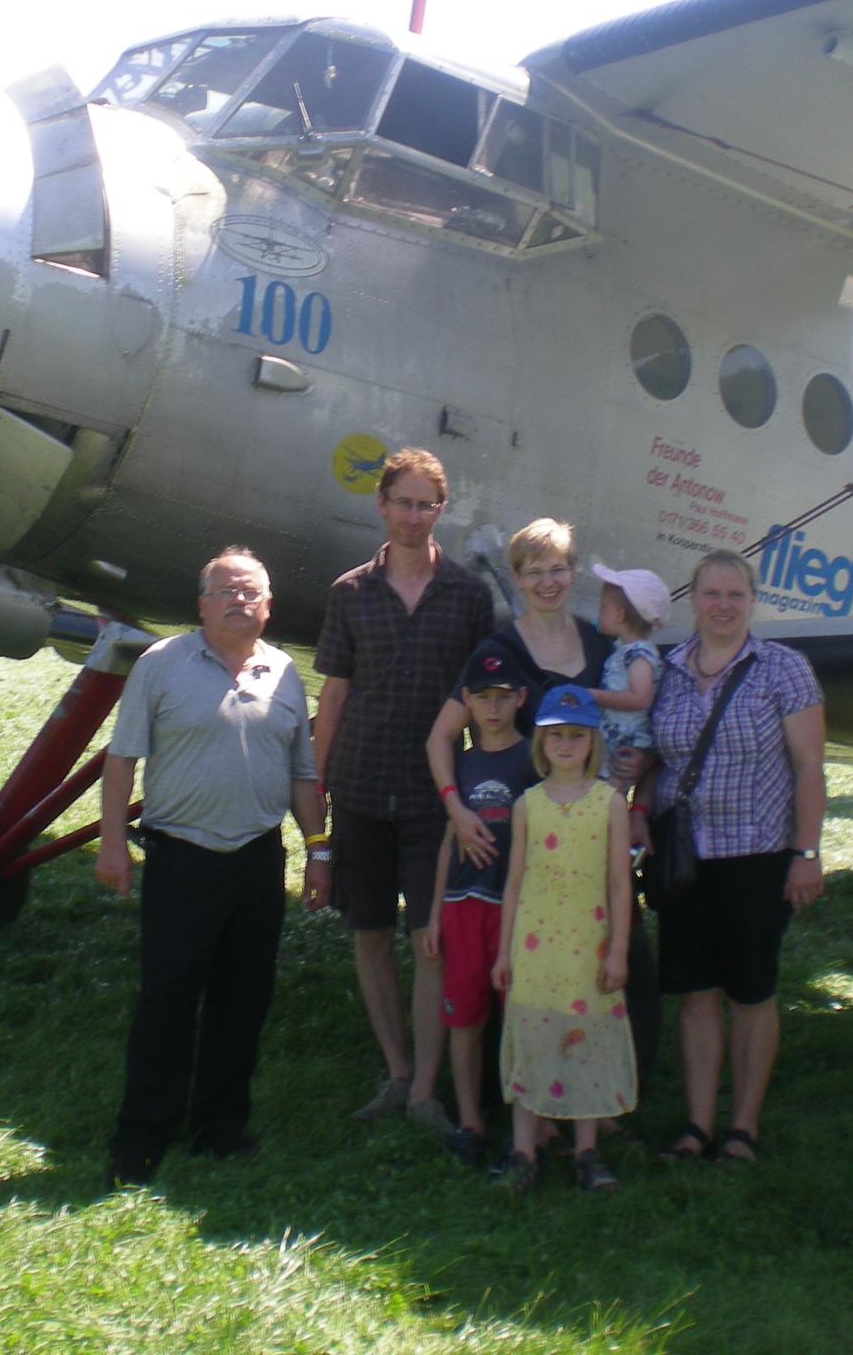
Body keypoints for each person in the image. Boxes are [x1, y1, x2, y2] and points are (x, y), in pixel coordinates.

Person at [96, 548, 327, 1186]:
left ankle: (221, 1128)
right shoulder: (161, 664)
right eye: (226, 591)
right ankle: (141, 1139)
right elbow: (121, 761)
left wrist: (319, 848)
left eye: (251, 592)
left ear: (269, 606)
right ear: (201, 605)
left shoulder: (284, 672)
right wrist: (112, 844)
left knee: (243, 1001)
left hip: (257, 859)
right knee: (166, 1000)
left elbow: (302, 773)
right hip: (182, 858)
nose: (239, 601)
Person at [426, 518, 660, 1096]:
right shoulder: (499, 651)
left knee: (618, 958)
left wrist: (640, 791)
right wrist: (456, 808)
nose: (548, 582)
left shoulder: (601, 645)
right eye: (535, 572)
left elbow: (645, 727)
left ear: (573, 573)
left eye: (557, 569)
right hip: (522, 837)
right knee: (524, 967)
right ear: (516, 578)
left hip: (592, 835)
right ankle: (517, 1100)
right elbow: (440, 738)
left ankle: (608, 1098)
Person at [313, 449, 494, 1129]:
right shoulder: (350, 592)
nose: (414, 516)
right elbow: (334, 693)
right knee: (369, 933)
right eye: (404, 503)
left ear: (440, 511)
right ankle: (395, 1070)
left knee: (430, 941)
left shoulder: (469, 596)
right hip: (360, 785)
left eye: (427, 505)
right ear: (381, 505)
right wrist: (317, 782)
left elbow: (483, 699)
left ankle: (424, 1087)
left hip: (435, 796)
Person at [634, 549, 825, 1166]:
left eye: (735, 595)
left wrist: (807, 852)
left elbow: (809, 767)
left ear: (752, 601)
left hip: (757, 855)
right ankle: (697, 1126)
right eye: (712, 594)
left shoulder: (784, 670)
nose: (723, 605)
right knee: (695, 994)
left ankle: (742, 1127)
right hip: (684, 858)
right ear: (692, 600)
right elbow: (654, 757)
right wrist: (638, 809)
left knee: (750, 992)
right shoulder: (666, 671)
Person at [491, 685, 637, 1193]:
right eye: (557, 736)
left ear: (593, 741)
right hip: (535, 952)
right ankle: (523, 1152)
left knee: (586, 1043)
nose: (567, 745)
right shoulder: (528, 805)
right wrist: (504, 951)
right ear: (542, 742)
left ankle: (587, 1151)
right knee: (533, 1039)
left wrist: (618, 949)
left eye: (577, 735)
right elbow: (513, 883)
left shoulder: (609, 803)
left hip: (588, 951)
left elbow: (619, 883)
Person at [420, 652, 532, 1166]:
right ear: (466, 701)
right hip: (463, 905)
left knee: (520, 1018)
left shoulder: (533, 759)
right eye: (482, 698)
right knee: (464, 1019)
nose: (492, 708)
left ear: (520, 699)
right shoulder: (461, 764)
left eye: (502, 697)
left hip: (514, 907)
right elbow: (448, 843)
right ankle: (470, 1121)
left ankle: (530, 1125)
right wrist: (435, 913)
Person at [588, 563, 668, 770]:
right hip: (612, 741)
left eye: (603, 607)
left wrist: (594, 696)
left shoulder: (639, 654)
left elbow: (639, 698)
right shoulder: (622, 649)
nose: (599, 611)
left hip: (627, 744)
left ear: (619, 615)